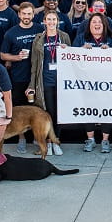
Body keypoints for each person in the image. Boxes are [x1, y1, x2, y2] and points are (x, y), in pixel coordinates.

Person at [75, 14, 112, 152]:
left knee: (106, 110)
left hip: (107, 84)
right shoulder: (81, 39)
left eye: (100, 22)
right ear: (89, 25)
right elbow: (70, 58)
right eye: (93, 22)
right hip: (87, 83)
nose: (97, 24)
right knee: (89, 110)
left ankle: (105, 141)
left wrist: (111, 52)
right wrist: (81, 50)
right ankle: (90, 139)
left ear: (105, 25)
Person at [28, 12, 70, 156]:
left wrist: (66, 50)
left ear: (58, 21)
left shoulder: (64, 37)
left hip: (62, 81)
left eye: (54, 19)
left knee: (60, 113)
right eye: (49, 19)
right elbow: (34, 64)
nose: (51, 22)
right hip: (45, 80)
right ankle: (48, 143)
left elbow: (71, 59)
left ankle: (56, 141)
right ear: (44, 21)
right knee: (48, 113)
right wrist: (31, 85)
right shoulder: (38, 39)